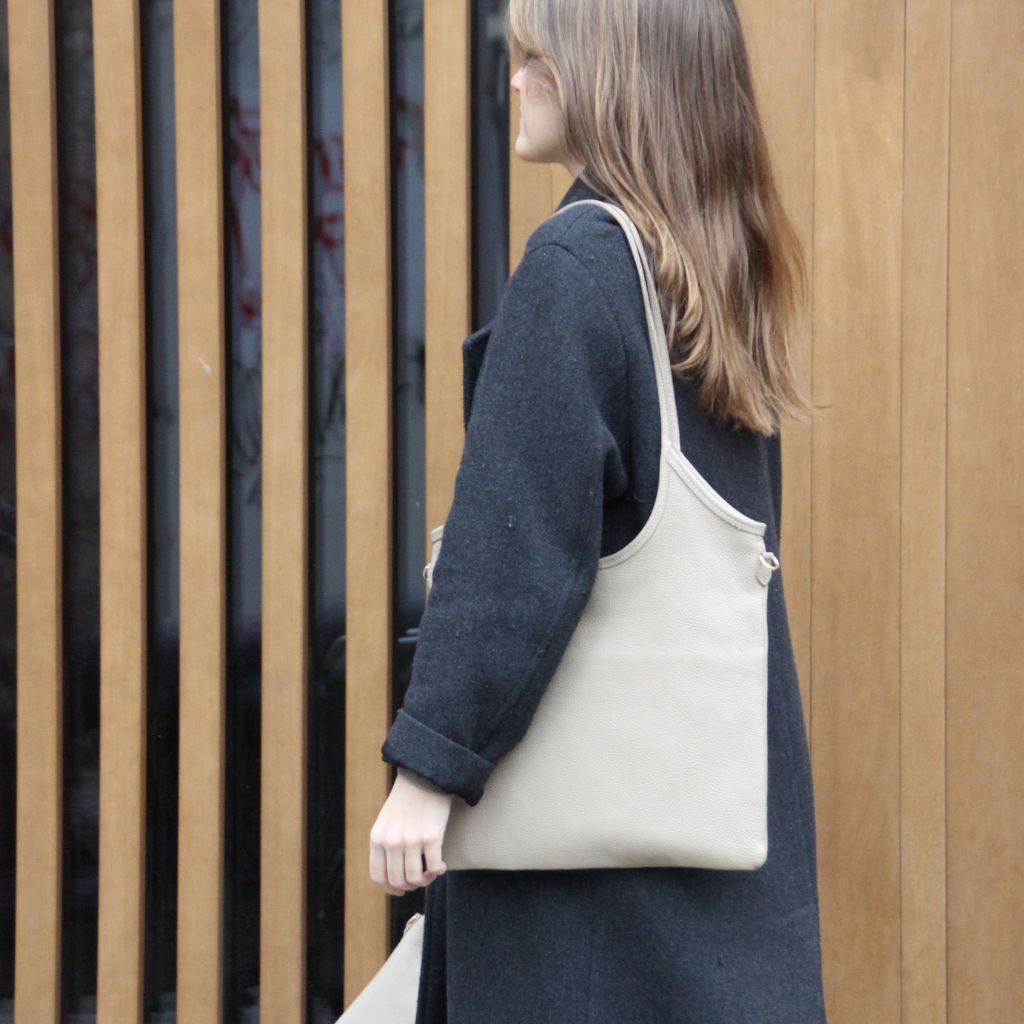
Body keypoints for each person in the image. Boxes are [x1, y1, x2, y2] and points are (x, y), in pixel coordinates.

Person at [370, 0, 827, 1020]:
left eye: (535, 56)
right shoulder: (704, 269)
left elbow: (517, 550)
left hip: (581, 905)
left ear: (602, 72)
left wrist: (430, 765)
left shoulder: (577, 267)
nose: (515, 79)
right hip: (699, 876)